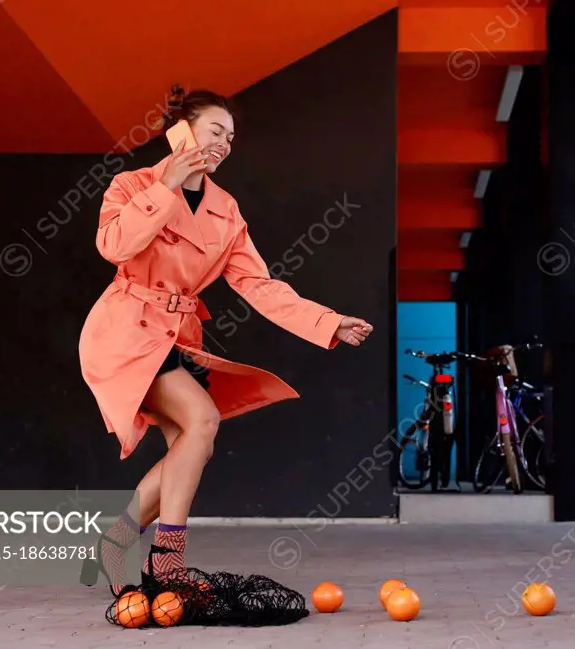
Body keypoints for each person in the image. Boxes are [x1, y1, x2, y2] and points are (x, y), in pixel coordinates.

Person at [78, 89, 373, 595]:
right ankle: (167, 564)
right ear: (181, 129)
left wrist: (327, 321)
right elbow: (114, 247)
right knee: (203, 419)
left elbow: (259, 284)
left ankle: (115, 540)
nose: (224, 144)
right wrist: (166, 185)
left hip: (175, 335)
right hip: (124, 329)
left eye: (231, 137)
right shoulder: (133, 185)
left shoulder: (225, 211)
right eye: (215, 130)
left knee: (193, 447)